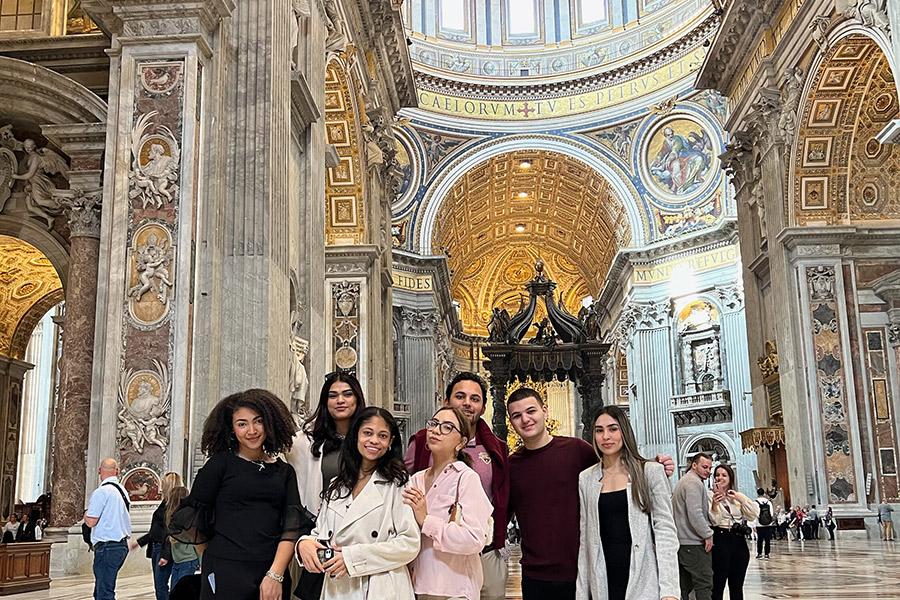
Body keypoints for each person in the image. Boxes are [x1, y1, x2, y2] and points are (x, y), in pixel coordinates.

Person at [506, 387, 676, 599]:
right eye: (517, 415)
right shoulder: (511, 466)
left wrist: (654, 465)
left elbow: (616, 464)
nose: (525, 419)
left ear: (545, 411)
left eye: (531, 411)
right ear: (511, 422)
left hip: (582, 571)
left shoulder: (577, 450)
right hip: (535, 576)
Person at [169, 389, 313, 600]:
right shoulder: (220, 465)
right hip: (225, 568)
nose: (251, 430)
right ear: (232, 429)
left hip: (271, 571)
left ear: (270, 423)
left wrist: (275, 575)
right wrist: (209, 560)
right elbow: (194, 515)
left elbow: (291, 529)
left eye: (258, 421)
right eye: (242, 424)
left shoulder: (284, 472)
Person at [296, 406, 420, 598]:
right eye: (367, 433)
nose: (374, 441)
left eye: (382, 435)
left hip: (381, 587)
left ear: (390, 442)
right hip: (338, 588)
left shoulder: (399, 483)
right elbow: (320, 533)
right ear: (355, 436)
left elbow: (409, 543)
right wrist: (305, 543)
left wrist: (352, 558)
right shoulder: (337, 485)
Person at [405, 372, 508, 600]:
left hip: (464, 567)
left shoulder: (478, 464)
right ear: (446, 399)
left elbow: (501, 497)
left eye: (475, 399)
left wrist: (426, 520)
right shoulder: (418, 463)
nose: (467, 403)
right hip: (422, 569)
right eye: (460, 396)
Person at [575, 405, 679, 600]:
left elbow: (665, 532)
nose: (606, 436)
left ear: (624, 431)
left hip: (642, 575)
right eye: (599, 430)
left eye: (613, 429)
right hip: (603, 576)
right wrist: (581, 593)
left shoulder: (650, 472)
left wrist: (670, 591)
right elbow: (585, 540)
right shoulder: (586, 479)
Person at [285, 371, 367, 513]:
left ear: (357, 399)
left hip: (365, 526)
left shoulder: (372, 441)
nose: (340, 400)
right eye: (332, 396)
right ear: (325, 402)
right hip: (321, 525)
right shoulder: (305, 442)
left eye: (347, 394)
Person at [130, 471, 183, 600]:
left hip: (163, 549)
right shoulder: (166, 503)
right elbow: (156, 530)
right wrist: (139, 542)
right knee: (160, 585)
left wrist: (165, 555)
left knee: (161, 586)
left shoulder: (172, 506)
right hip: (158, 546)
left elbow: (170, 532)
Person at [84, 458, 132, 600]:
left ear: (100, 471)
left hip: (107, 546)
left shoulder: (102, 492)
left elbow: (91, 521)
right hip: (121, 546)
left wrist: (85, 514)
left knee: (104, 593)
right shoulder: (122, 491)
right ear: (117, 471)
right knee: (102, 590)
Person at [709, 464, 758, 600]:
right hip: (721, 539)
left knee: (737, 586)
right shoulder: (709, 495)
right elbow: (714, 521)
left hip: (738, 541)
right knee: (718, 584)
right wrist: (715, 504)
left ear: (730, 478)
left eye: (724, 475)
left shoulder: (735, 496)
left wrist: (740, 497)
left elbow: (753, 514)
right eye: (717, 475)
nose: (720, 478)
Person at [672, 452, 714, 600]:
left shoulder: (685, 481)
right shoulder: (693, 483)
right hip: (694, 543)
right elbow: (695, 513)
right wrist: (707, 534)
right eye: (704, 467)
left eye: (710, 468)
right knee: (704, 584)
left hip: (683, 543)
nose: (708, 471)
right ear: (694, 465)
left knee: (684, 586)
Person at [161, 486, 200, 591]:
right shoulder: (172, 515)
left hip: (188, 559)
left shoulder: (187, 515)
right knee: (175, 590)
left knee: (180, 591)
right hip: (178, 559)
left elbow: (196, 539)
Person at [755, 488, 774, 559]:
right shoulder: (768, 502)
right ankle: (767, 554)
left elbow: (755, 514)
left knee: (759, 540)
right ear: (764, 493)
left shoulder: (755, 502)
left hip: (759, 524)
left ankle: (759, 553)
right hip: (768, 524)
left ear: (757, 493)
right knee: (767, 540)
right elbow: (771, 514)